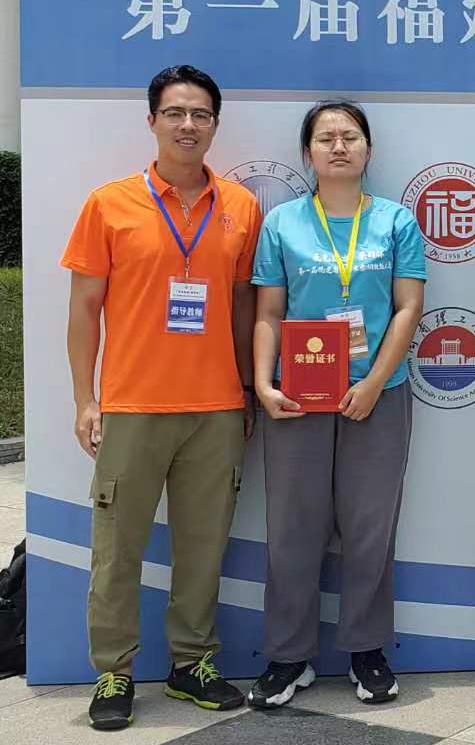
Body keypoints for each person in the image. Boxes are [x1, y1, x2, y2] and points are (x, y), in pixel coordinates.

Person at [62, 65, 262, 732]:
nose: (188, 125)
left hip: (215, 409)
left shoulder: (241, 207)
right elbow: (84, 310)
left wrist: (245, 390)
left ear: (215, 125)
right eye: (175, 113)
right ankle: (113, 671)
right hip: (132, 407)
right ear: (151, 121)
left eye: (200, 114)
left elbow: (242, 309)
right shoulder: (109, 204)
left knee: (203, 548)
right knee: (116, 548)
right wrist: (84, 399)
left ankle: (191, 663)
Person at [247, 100, 427, 709]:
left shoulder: (396, 221)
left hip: (378, 396)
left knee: (370, 528)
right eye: (326, 138)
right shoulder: (283, 223)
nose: (339, 147)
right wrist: (264, 383)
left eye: (350, 136)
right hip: (297, 398)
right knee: (291, 528)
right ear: (308, 153)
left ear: (368, 149)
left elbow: (408, 307)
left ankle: (367, 650)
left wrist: (375, 381)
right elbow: (269, 312)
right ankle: (287, 656)